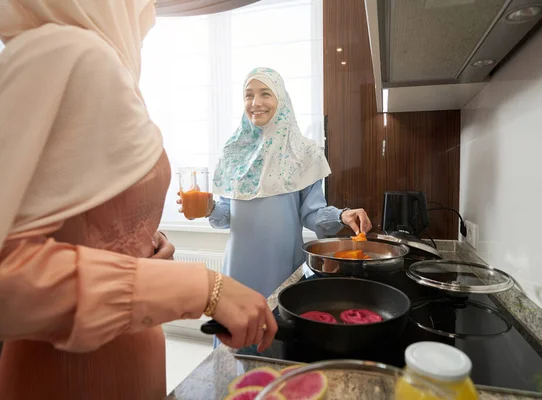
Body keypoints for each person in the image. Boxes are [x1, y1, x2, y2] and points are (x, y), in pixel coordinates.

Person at [0, 1, 276, 399]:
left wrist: (141, 246)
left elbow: (84, 224)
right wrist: (198, 286)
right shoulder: (70, 51)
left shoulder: (104, 63)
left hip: (133, 353)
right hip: (74, 374)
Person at [179, 67, 372, 298]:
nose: (255, 102)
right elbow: (226, 216)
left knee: (278, 325)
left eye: (265, 93)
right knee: (238, 328)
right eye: (248, 95)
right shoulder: (234, 152)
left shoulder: (303, 152)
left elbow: (311, 215)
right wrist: (208, 207)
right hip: (238, 267)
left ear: (281, 99)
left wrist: (342, 215)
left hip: (282, 266)